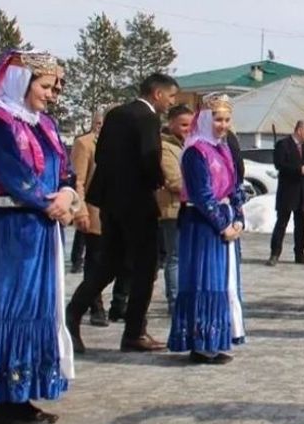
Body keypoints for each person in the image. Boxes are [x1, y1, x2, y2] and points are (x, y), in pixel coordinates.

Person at [0, 51, 78, 424]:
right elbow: (14, 174)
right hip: (10, 228)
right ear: (22, 82)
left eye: (55, 88)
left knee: (37, 307)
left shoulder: (44, 124)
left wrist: (67, 193)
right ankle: (5, 401)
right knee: (9, 305)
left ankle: (23, 392)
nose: (51, 94)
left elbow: (65, 169)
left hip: (40, 227)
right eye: (45, 86)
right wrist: (51, 203)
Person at [66, 72, 179, 354]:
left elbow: (102, 155)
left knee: (108, 265)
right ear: (157, 94)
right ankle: (134, 332)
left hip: (110, 203)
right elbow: (149, 158)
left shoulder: (116, 114)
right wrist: (159, 181)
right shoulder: (147, 118)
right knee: (145, 268)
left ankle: (72, 314)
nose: (171, 102)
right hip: (137, 203)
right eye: (171, 96)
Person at [168, 94, 248, 365]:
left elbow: (235, 185)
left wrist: (238, 217)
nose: (222, 125)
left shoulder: (222, 149)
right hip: (202, 224)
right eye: (217, 119)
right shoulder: (196, 151)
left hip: (223, 220)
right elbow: (201, 194)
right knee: (205, 280)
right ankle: (201, 342)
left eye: (226, 120)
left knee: (223, 281)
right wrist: (222, 225)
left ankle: (218, 338)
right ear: (204, 119)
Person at [70, 110, 113, 327]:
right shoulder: (85, 144)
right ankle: (95, 306)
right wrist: (80, 211)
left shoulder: (121, 143)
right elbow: (77, 180)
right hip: (94, 211)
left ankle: (116, 301)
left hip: (116, 212)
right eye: (99, 123)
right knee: (96, 262)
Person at [157, 105, 192, 316]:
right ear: (171, 124)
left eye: (191, 125)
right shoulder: (165, 147)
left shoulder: (191, 144)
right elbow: (174, 180)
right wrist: (201, 186)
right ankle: (175, 301)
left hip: (191, 209)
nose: (188, 129)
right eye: (183, 125)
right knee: (175, 257)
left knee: (187, 256)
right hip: (173, 209)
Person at [268, 120, 304, 266]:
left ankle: (300, 254)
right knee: (281, 223)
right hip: (288, 192)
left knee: (300, 226)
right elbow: (279, 164)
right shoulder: (283, 145)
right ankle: (275, 253)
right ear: (299, 130)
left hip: (303, 193)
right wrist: (298, 169)